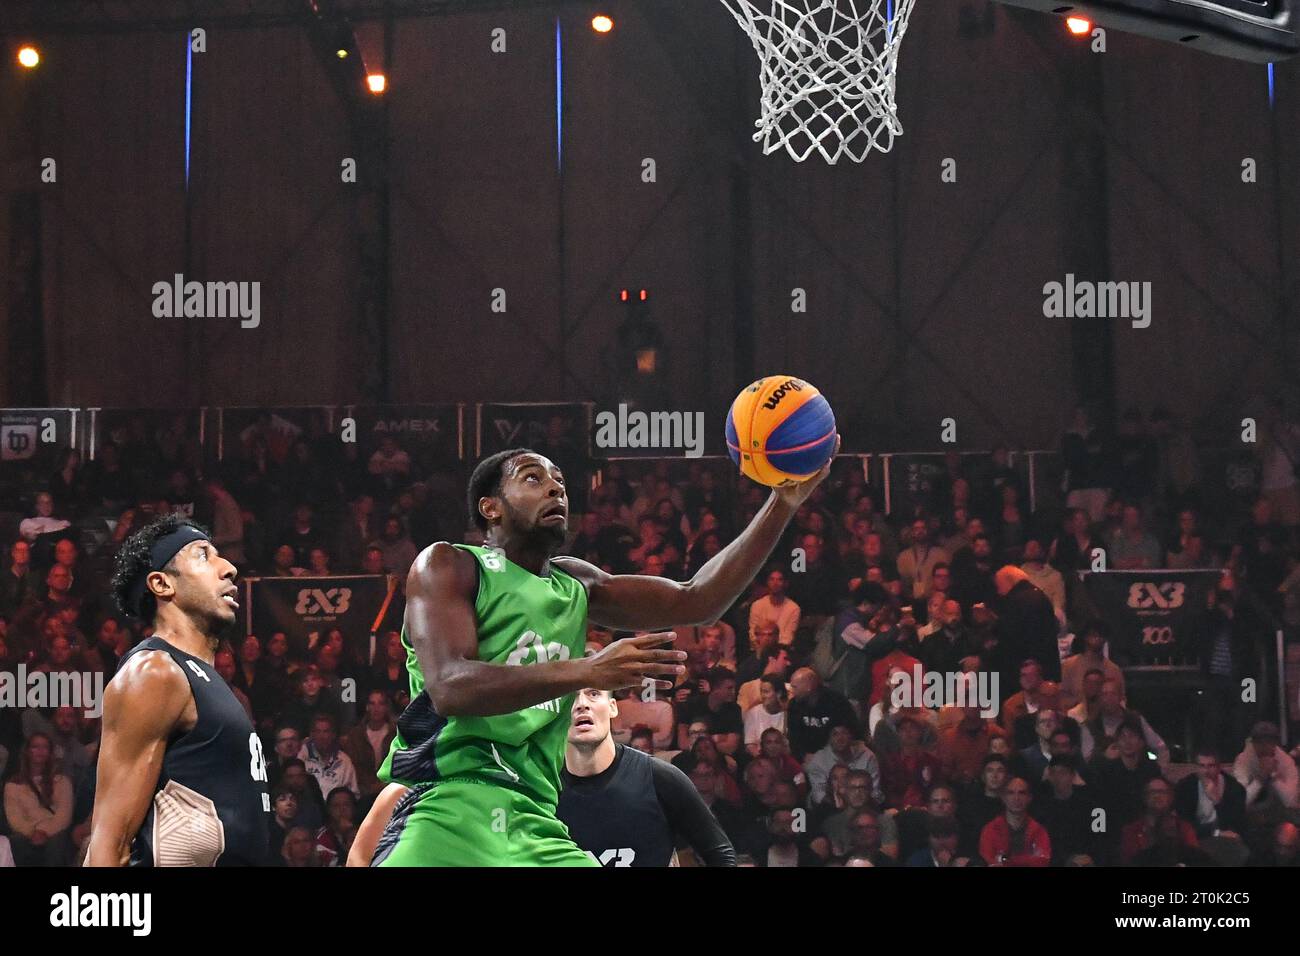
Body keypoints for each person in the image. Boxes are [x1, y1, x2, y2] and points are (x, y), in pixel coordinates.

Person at [371, 443, 836, 866]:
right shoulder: (448, 564)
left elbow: (699, 599)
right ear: (489, 507)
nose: (554, 488)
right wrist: (588, 669)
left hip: (535, 820)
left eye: (560, 483)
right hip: (449, 807)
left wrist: (782, 503)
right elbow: (451, 687)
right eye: (533, 478)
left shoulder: (577, 582)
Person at [85, 515, 270, 866]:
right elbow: (110, 840)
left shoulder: (205, 680)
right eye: (203, 555)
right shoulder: (154, 672)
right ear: (162, 584)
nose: (229, 568)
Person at [557, 686, 735, 866]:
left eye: (593, 694)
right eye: (569, 696)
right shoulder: (541, 789)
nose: (581, 704)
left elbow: (720, 854)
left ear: (612, 707)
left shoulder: (660, 777)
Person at [3, 732, 75, 866]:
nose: (40, 751)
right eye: (35, 747)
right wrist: (32, 833)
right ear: (28, 751)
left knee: (58, 842)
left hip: (54, 832)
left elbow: (64, 816)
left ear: (50, 752)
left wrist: (44, 831)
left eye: (45, 747)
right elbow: (14, 817)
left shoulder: (62, 781)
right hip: (26, 834)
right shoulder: (13, 785)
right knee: (15, 842)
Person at [979, 776, 1051, 866]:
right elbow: (987, 861)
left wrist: (1007, 860)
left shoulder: (1039, 831)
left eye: (1022, 793)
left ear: (1029, 798)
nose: (1016, 798)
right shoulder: (990, 830)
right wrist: (1025, 860)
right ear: (1003, 798)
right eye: (1011, 793)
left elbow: (1042, 861)